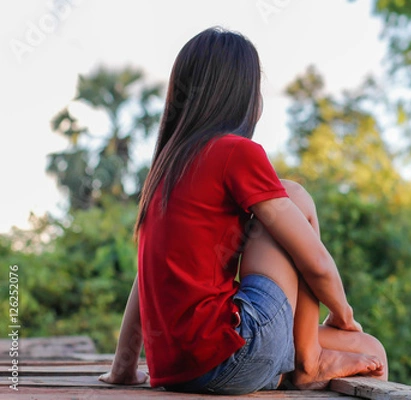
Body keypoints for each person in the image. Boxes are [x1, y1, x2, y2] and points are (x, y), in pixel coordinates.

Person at [99, 26, 388, 395]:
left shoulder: (165, 172)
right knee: (294, 196)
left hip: (179, 370)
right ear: (244, 96)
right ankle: (310, 359)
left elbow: (146, 276)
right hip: (234, 353)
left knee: (370, 351)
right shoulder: (235, 152)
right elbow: (314, 261)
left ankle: (307, 356)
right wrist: (343, 314)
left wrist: (124, 367)